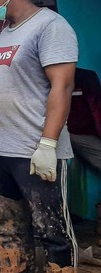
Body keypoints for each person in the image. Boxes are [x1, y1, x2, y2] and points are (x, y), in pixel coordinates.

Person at [0, 0, 78, 272]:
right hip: (0, 151)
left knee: (52, 234)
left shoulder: (51, 26)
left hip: (35, 155)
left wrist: (47, 144)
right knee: (9, 232)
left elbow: (63, 86)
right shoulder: (6, 32)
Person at [66, 68, 101, 242]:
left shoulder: (86, 77)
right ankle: (60, 222)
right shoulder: (44, 74)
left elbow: (96, 108)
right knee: (49, 175)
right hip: (53, 134)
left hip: (82, 134)